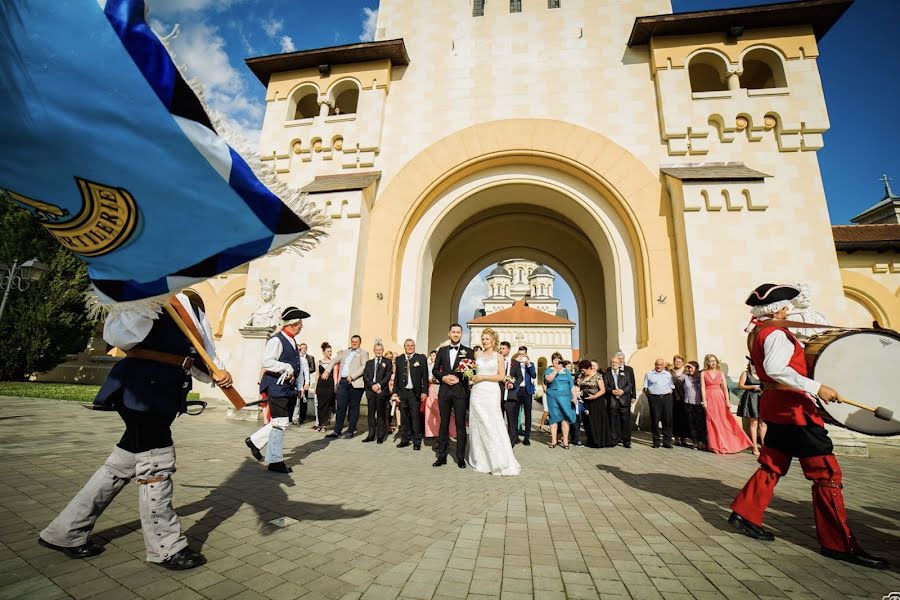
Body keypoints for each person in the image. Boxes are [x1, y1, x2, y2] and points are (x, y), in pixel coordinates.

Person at [39, 294, 233, 570]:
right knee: (158, 460)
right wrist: (146, 301)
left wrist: (218, 372)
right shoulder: (144, 292)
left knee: (124, 460)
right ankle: (166, 547)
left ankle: (65, 531)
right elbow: (120, 337)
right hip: (141, 389)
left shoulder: (189, 299)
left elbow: (200, 347)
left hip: (167, 389)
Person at [729, 283, 888, 569]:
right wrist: (817, 387)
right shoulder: (775, 333)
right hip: (794, 411)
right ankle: (838, 543)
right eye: (786, 307)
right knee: (826, 473)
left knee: (773, 464)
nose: (789, 310)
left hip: (777, 406)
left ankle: (745, 512)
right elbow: (778, 369)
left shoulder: (757, 331)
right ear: (776, 310)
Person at [248, 307, 309, 473]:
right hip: (276, 386)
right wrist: (285, 367)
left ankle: (254, 441)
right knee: (281, 422)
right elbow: (267, 361)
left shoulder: (292, 341)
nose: (302, 326)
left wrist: (298, 386)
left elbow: (298, 366)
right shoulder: (276, 340)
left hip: (287, 388)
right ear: (292, 324)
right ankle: (275, 461)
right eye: (300, 324)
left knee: (281, 422)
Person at [466, 328, 521, 475]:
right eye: (483, 339)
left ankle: (498, 458)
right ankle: (481, 458)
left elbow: (501, 376)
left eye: (487, 339)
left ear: (493, 340)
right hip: (477, 392)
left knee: (491, 423)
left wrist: (483, 377)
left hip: (490, 391)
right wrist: (471, 377)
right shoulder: (477, 354)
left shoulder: (498, 356)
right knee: (478, 423)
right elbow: (473, 372)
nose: (484, 341)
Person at [432, 324, 472, 468]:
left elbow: (471, 373)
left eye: (458, 332)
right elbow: (435, 370)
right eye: (453, 332)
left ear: (461, 334)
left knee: (461, 425)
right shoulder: (442, 351)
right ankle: (441, 456)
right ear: (449, 334)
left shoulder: (468, 352)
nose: (456, 334)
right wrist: (443, 377)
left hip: (460, 392)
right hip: (444, 392)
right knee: (444, 424)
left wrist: (460, 378)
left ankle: (460, 457)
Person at [702, 354, 751, 454]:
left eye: (714, 360)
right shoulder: (703, 373)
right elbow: (703, 387)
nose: (713, 362)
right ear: (707, 362)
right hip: (709, 397)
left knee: (723, 420)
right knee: (711, 421)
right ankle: (715, 445)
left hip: (720, 397)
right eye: (711, 361)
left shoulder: (720, 373)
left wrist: (727, 401)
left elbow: (724, 387)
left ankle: (727, 444)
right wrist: (704, 401)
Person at [324, 335, 369, 439]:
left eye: (356, 342)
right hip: (343, 382)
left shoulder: (363, 353)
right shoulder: (345, 352)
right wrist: (327, 370)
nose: (354, 343)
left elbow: (364, 367)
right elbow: (334, 360)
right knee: (340, 406)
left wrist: (353, 376)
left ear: (360, 342)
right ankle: (337, 431)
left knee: (353, 407)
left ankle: (351, 431)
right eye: (353, 341)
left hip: (355, 383)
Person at [394, 338, 429, 450]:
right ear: (404, 347)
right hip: (402, 393)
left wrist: (424, 391)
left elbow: (425, 377)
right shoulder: (399, 359)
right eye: (408, 345)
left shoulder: (421, 358)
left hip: (415, 393)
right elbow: (396, 378)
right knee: (404, 418)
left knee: (415, 417)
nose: (410, 347)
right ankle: (405, 439)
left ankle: (417, 441)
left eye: (412, 345)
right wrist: (395, 393)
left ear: (414, 346)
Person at [362, 340, 393, 444]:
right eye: (377, 350)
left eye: (380, 350)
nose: (378, 351)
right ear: (374, 351)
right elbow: (365, 377)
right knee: (371, 414)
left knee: (381, 414)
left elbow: (388, 376)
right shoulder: (369, 363)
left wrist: (379, 385)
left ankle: (380, 436)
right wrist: (372, 386)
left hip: (381, 391)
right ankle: (371, 435)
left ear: (383, 350)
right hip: (371, 391)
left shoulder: (387, 362)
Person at [544, 352, 575, 449]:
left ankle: (565, 440)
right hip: (553, 397)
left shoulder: (566, 371)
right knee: (553, 418)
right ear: (552, 361)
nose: (557, 361)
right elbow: (548, 379)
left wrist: (574, 396)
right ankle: (554, 441)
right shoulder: (549, 370)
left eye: (558, 359)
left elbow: (571, 384)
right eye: (554, 359)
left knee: (565, 418)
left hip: (565, 397)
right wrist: (556, 370)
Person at [578, 360, 610, 448]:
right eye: (581, 370)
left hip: (596, 402)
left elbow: (603, 390)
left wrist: (594, 396)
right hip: (586, 402)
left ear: (589, 368)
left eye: (584, 370)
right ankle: (590, 440)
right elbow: (580, 387)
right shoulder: (582, 376)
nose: (582, 372)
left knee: (596, 421)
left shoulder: (597, 376)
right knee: (587, 422)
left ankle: (598, 441)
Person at [643, 358, 675, 448]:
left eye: (661, 365)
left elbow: (672, 387)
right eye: (657, 364)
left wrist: (668, 394)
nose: (659, 366)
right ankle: (656, 441)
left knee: (668, 420)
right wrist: (650, 398)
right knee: (655, 420)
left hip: (666, 398)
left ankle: (667, 441)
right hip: (655, 398)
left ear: (664, 365)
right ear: (655, 365)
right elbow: (645, 388)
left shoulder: (668, 374)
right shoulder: (649, 374)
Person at [604, 356, 634, 448]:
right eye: (612, 362)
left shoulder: (625, 373)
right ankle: (614, 439)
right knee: (613, 421)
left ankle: (626, 441)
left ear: (619, 364)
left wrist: (623, 391)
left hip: (624, 400)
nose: (614, 364)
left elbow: (630, 384)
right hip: (612, 401)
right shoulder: (607, 375)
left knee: (625, 422)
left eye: (616, 362)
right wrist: (612, 391)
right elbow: (605, 386)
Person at [738, 360, 766, 456]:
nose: (754, 365)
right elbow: (740, 385)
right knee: (754, 423)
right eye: (752, 363)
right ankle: (754, 447)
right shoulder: (746, 373)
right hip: (751, 398)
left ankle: (764, 447)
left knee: (763, 424)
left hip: (762, 398)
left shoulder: (763, 373)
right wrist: (752, 387)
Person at [679, 361, 707, 450]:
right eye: (689, 368)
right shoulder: (685, 377)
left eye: (692, 368)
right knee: (691, 424)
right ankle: (695, 442)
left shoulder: (701, 377)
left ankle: (702, 441)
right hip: (689, 403)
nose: (690, 369)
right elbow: (677, 378)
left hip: (700, 403)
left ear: (697, 369)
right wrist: (684, 367)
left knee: (701, 424)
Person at [291, 343, 316, 426]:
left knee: (298, 401)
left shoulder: (304, 360)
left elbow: (307, 372)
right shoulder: (291, 358)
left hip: (300, 383)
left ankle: (296, 418)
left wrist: (307, 383)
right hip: (290, 382)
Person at [313, 342, 335, 432]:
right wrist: (315, 387)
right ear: (324, 352)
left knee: (327, 406)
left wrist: (335, 387)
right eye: (328, 351)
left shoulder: (333, 362)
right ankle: (319, 424)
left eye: (330, 351)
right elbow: (317, 375)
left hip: (329, 385)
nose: (330, 353)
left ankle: (325, 424)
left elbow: (335, 375)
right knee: (320, 405)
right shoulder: (319, 362)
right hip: (321, 385)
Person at [670, 355, 690, 446]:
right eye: (676, 361)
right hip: (673, 398)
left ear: (682, 363)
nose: (677, 363)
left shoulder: (686, 372)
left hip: (684, 397)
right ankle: (677, 438)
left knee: (684, 418)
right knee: (675, 418)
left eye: (679, 362)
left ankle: (683, 438)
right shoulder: (670, 372)